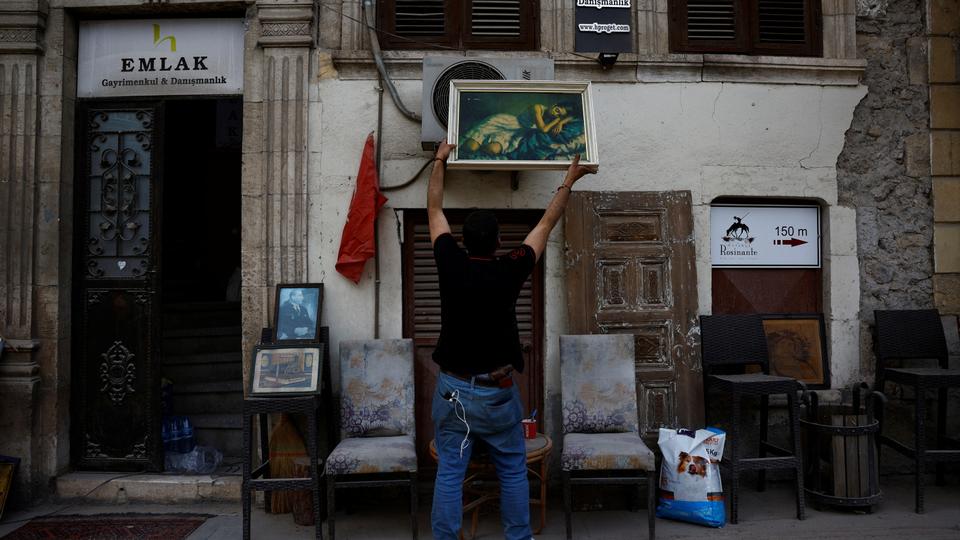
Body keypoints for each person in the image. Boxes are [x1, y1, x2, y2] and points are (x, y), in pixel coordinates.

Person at [428, 141, 597, 540]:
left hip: (453, 391)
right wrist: (568, 182)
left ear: (463, 240)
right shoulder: (511, 268)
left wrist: (440, 159)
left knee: (451, 471)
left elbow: (434, 208)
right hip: (497, 392)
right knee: (512, 470)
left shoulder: (449, 260)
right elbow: (545, 225)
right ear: (498, 242)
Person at [459, 102, 583, 161]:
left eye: (559, 114)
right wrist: (557, 121)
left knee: (493, 150)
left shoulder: (556, 118)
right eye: (557, 110)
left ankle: (482, 150)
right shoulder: (538, 108)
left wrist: (561, 121)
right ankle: (476, 144)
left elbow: (573, 117)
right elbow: (543, 129)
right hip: (504, 123)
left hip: (515, 133)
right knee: (470, 147)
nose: (555, 113)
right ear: (555, 105)